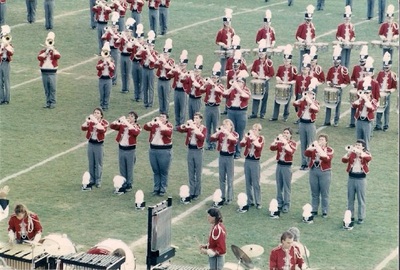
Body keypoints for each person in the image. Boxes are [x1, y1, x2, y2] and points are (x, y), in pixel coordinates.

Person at [110, 111, 141, 194]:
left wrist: (127, 122)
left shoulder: (136, 126)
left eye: (131, 116)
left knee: (129, 168)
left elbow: (135, 132)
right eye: (129, 116)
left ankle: (129, 184)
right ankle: (123, 183)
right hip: (121, 148)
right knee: (122, 167)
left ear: (135, 119)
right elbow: (112, 126)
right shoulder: (123, 125)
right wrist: (118, 121)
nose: (129, 117)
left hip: (130, 150)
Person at [342, 139, 372, 225]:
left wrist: (359, 153)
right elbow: (343, 160)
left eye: (359, 145)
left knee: (361, 199)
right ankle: (350, 216)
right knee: (350, 199)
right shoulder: (352, 153)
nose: (357, 146)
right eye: (356, 145)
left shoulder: (366, 153)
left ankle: (361, 217)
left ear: (363, 147)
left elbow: (369, 158)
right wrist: (349, 153)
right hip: (351, 178)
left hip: (361, 179)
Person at [177, 112, 206, 200]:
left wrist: (194, 127)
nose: (195, 120)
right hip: (190, 150)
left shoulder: (203, 128)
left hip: (198, 151)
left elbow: (202, 138)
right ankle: (191, 191)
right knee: (191, 172)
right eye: (194, 118)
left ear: (200, 119)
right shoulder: (190, 126)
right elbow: (179, 129)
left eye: (197, 118)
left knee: (198, 172)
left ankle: (197, 192)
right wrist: (185, 125)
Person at [210, 119, 238, 206]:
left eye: (227, 125)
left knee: (230, 179)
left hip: (229, 158)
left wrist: (227, 133)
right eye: (224, 125)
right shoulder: (221, 134)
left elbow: (235, 141)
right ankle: (222, 196)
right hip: (221, 156)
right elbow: (211, 138)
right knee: (221, 178)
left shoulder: (235, 134)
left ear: (231, 126)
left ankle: (229, 197)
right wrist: (218, 132)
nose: (225, 126)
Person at [143, 113, 173, 196]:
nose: (161, 118)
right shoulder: (155, 125)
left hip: (164, 150)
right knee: (155, 170)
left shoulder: (169, 125)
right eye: (160, 116)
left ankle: (163, 188)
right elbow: (145, 127)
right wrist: (152, 122)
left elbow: (168, 132)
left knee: (163, 171)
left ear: (166, 119)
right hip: (153, 149)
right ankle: (156, 188)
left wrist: (159, 123)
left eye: (163, 117)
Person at [293, 79, 320, 170]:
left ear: (313, 95)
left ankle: (309, 163)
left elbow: (315, 109)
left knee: (310, 145)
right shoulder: (303, 101)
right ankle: (303, 163)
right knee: (303, 144)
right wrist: (302, 98)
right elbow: (294, 103)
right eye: (307, 93)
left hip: (310, 125)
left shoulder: (315, 103)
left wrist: (309, 100)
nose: (308, 95)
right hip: (302, 123)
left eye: (310, 94)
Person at [304, 134, 334, 217]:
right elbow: (306, 153)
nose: (320, 141)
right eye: (319, 139)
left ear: (326, 142)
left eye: (322, 140)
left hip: (324, 172)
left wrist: (317, 147)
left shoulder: (329, 150)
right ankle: (314, 209)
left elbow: (325, 158)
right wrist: (311, 147)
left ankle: (325, 210)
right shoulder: (315, 148)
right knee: (314, 192)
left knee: (324, 193)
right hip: (314, 170)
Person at [270, 127, 297, 213]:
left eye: (287, 133)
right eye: (284, 133)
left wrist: (284, 142)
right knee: (279, 186)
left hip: (287, 166)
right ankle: (279, 203)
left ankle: (286, 204)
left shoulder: (293, 143)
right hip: (279, 165)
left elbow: (290, 151)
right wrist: (276, 141)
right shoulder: (280, 142)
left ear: (290, 135)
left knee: (286, 187)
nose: (285, 134)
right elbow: (271, 148)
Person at [224, 71, 250, 159]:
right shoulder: (232, 89)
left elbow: (246, 96)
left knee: (240, 132)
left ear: (244, 83)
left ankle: (238, 152)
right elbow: (224, 94)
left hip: (241, 112)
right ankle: (231, 150)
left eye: (241, 82)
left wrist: (238, 88)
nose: (239, 83)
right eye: (238, 82)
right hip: (231, 111)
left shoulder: (246, 90)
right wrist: (231, 88)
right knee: (230, 131)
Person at [81, 108, 109, 190]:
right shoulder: (91, 122)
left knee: (98, 164)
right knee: (91, 163)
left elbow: (102, 130)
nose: (95, 114)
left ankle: (98, 180)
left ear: (101, 115)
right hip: (91, 143)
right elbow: (83, 128)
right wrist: (87, 121)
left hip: (98, 145)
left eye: (97, 113)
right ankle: (92, 179)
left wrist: (94, 121)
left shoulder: (104, 122)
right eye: (94, 113)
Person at [324, 45, 350, 127]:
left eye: (337, 60)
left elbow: (347, 81)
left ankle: (336, 120)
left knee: (337, 105)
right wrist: (329, 83)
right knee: (328, 104)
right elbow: (327, 78)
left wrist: (340, 86)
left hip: (338, 89)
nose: (335, 62)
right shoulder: (331, 69)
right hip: (331, 88)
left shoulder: (344, 69)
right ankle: (327, 120)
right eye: (334, 60)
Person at [200, 62, 224, 150]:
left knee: (215, 126)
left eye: (215, 78)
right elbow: (201, 90)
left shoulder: (220, 85)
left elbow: (220, 92)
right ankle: (208, 143)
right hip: (208, 107)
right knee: (207, 126)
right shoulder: (209, 85)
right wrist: (206, 84)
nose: (213, 79)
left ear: (218, 78)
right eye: (212, 77)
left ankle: (215, 144)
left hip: (215, 107)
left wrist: (213, 84)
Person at [270, 44, 297, 122]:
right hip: (280, 85)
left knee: (287, 102)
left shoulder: (293, 68)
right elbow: (277, 75)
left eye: (288, 60)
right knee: (276, 100)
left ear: (290, 61)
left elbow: (295, 79)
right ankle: (275, 116)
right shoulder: (281, 67)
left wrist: (290, 82)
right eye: (285, 60)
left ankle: (285, 116)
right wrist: (279, 79)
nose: (286, 62)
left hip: (288, 86)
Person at [249, 39, 275, 119]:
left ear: (265, 53)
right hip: (257, 81)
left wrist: (266, 78)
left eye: (262, 53)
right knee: (256, 97)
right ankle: (254, 113)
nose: (261, 54)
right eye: (260, 53)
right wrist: (253, 73)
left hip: (264, 81)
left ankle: (262, 114)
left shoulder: (269, 62)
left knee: (264, 97)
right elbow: (252, 70)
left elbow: (272, 73)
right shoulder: (256, 62)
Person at [240, 123, 264, 209]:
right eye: (253, 129)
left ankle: (258, 201)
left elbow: (259, 147)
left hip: (255, 161)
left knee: (256, 183)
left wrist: (253, 138)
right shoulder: (249, 138)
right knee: (248, 182)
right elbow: (241, 144)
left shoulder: (261, 138)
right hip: (248, 160)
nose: (253, 131)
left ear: (259, 131)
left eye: (255, 129)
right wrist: (245, 137)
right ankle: (250, 201)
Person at [354, 77, 379, 152]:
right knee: (358, 140)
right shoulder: (361, 100)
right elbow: (354, 105)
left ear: (370, 93)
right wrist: (360, 99)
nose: (365, 94)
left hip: (367, 122)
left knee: (366, 141)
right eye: (364, 92)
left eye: (367, 92)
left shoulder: (373, 101)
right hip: (359, 121)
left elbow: (371, 108)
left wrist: (366, 99)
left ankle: (366, 155)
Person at [37, 32, 61, 109]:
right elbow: (39, 58)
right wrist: (46, 51)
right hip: (44, 71)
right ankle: (48, 102)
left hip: (52, 72)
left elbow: (58, 56)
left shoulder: (55, 51)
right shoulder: (43, 51)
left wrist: (52, 50)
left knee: (52, 88)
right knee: (46, 88)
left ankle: (53, 102)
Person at [375, 52, 397, 131]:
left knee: (386, 111)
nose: (386, 68)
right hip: (380, 93)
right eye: (385, 66)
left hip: (387, 94)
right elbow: (376, 82)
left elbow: (394, 87)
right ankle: (378, 124)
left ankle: (386, 125)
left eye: (387, 66)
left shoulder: (393, 74)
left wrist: (389, 91)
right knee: (379, 109)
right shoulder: (380, 73)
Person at [136, 30, 158, 108]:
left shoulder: (155, 53)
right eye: (148, 45)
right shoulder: (144, 52)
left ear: (153, 46)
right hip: (144, 69)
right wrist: (141, 49)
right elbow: (136, 56)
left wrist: (148, 52)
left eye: (151, 45)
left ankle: (150, 103)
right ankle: (145, 102)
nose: (149, 47)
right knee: (145, 86)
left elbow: (153, 61)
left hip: (151, 70)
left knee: (151, 87)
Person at [348, 45, 368, 128]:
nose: (362, 62)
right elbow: (352, 78)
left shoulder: (368, 69)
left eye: (363, 61)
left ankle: (362, 120)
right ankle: (352, 122)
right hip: (357, 89)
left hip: (365, 91)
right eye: (361, 60)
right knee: (354, 105)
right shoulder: (356, 67)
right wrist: (353, 83)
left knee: (364, 106)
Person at [169, 49, 189, 129]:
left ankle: (181, 124)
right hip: (176, 90)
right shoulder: (177, 71)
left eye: (183, 65)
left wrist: (179, 71)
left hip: (183, 91)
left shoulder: (187, 73)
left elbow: (186, 79)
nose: (181, 66)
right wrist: (173, 69)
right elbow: (169, 75)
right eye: (180, 65)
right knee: (176, 107)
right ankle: (177, 123)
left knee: (183, 108)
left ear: (186, 65)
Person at [155, 38, 175, 114]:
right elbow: (155, 66)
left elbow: (170, 69)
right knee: (160, 96)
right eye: (164, 54)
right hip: (160, 79)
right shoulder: (161, 59)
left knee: (166, 97)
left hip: (166, 81)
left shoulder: (171, 61)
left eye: (166, 54)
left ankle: (165, 112)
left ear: (169, 55)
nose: (165, 55)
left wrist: (163, 61)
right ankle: (161, 111)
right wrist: (158, 60)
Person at [115, 18, 135, 94]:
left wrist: (125, 38)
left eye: (128, 32)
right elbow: (116, 42)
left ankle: (127, 87)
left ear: (131, 32)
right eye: (126, 31)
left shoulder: (133, 40)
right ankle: (123, 87)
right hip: (122, 55)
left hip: (129, 56)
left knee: (128, 72)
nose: (127, 33)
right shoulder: (123, 38)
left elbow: (130, 46)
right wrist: (121, 37)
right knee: (123, 72)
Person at [102, 12, 120, 86]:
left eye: (114, 27)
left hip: (115, 50)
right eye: (112, 27)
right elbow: (103, 38)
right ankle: (110, 77)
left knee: (114, 64)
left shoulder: (119, 34)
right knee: (107, 62)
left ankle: (114, 80)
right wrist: (106, 33)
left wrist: (112, 33)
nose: (113, 28)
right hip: (108, 49)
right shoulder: (109, 33)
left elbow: (117, 39)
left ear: (117, 27)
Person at [215, 8, 235, 79]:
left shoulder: (232, 30)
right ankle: (222, 77)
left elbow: (234, 39)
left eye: (229, 22)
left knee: (230, 63)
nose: (227, 23)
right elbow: (217, 41)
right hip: (223, 49)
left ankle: (230, 77)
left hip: (230, 49)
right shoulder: (221, 31)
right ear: (224, 23)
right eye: (226, 22)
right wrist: (222, 44)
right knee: (223, 64)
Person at [295, 5, 315, 71]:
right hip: (303, 45)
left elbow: (314, 35)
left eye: (309, 20)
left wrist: (313, 40)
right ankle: (300, 72)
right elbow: (297, 36)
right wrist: (303, 41)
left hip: (310, 45)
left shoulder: (312, 25)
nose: (308, 21)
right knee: (302, 59)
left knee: (309, 59)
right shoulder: (301, 26)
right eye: (307, 20)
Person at [96, 42, 115, 111]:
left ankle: (106, 105)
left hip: (108, 79)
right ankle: (101, 105)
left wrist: (109, 63)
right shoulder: (100, 61)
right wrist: (103, 63)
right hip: (101, 79)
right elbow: (97, 68)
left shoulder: (111, 61)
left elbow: (112, 69)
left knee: (107, 93)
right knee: (102, 93)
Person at [185, 55, 204, 120]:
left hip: (197, 99)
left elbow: (198, 85)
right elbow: (184, 81)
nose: (196, 72)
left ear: (200, 72)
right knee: (190, 115)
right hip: (190, 97)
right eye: (195, 71)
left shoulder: (201, 80)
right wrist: (186, 75)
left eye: (197, 71)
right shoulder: (191, 77)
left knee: (196, 116)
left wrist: (192, 77)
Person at [131, 23, 144, 101]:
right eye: (138, 38)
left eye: (140, 38)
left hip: (141, 64)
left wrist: (140, 46)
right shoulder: (134, 45)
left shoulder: (145, 46)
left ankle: (140, 96)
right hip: (134, 63)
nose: (139, 40)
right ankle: (136, 95)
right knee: (135, 80)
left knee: (141, 81)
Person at [0, 25, 13, 105]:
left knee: (6, 81)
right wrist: (1, 46)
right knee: (0, 82)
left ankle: (7, 99)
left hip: (6, 62)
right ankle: (1, 99)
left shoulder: (9, 43)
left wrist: (6, 46)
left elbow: (11, 52)